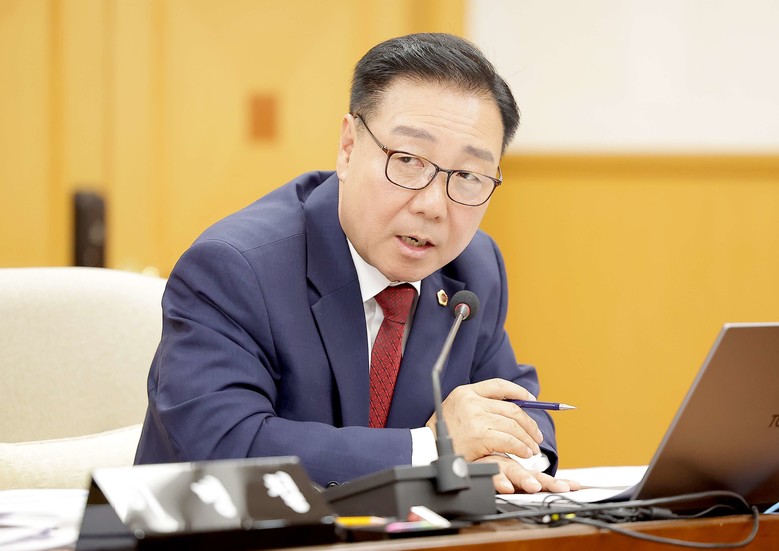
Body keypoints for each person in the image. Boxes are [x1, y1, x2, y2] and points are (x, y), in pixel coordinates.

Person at [135, 33, 578, 495]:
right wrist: (431, 450)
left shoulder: (472, 268)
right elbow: (226, 445)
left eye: (467, 175)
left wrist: (504, 457)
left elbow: (519, 405)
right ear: (348, 147)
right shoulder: (234, 269)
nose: (433, 205)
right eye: (408, 160)